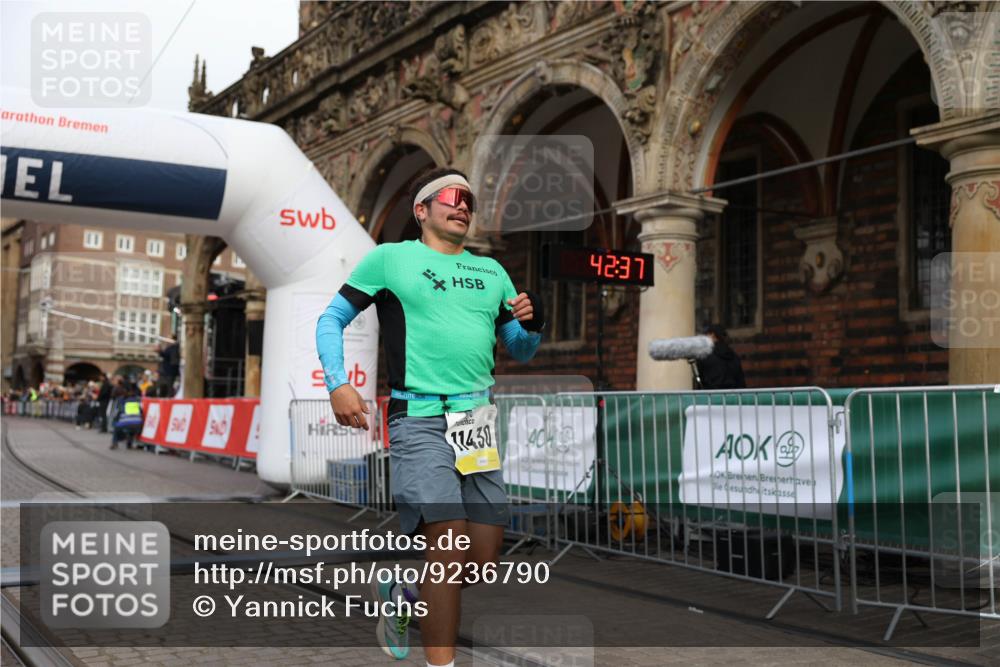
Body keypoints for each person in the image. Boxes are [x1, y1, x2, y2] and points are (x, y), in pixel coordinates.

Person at [316, 168, 544, 666]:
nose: (463, 205)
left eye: (470, 199)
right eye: (451, 196)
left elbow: (519, 349)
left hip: (476, 423)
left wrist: (535, 320)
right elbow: (330, 318)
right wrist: (338, 383)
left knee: (481, 559)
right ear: (422, 210)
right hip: (418, 419)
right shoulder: (390, 260)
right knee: (448, 540)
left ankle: (406, 595)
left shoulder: (492, 273)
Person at [695, 323, 747, 389]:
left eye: (706, 335)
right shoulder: (734, 356)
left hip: (711, 396)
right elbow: (741, 383)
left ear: (712, 335)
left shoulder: (705, 355)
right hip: (732, 397)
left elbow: (701, 381)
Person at [109, 384, 143, 450]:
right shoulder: (137, 399)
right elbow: (141, 411)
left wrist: (114, 422)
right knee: (132, 426)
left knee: (117, 427)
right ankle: (129, 444)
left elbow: (117, 412)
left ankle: (114, 443)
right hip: (137, 424)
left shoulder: (121, 400)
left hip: (125, 424)